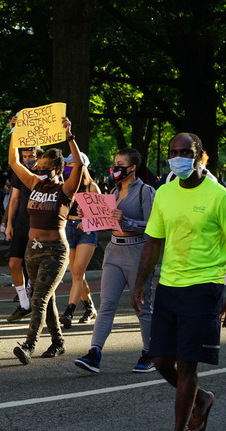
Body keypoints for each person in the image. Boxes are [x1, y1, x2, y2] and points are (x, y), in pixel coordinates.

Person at [132, 133, 226, 431]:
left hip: (204, 288)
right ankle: (203, 398)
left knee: (186, 367)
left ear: (200, 156)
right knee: (160, 361)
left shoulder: (218, 195)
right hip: (169, 286)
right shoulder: (164, 193)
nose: (178, 157)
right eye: (173, 152)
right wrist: (140, 282)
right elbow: (154, 240)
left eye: (185, 152)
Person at [74, 147, 157, 373]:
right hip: (113, 252)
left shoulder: (146, 191)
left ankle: (149, 354)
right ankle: (94, 353)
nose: (116, 168)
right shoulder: (112, 190)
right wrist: (88, 219)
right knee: (106, 304)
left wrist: (127, 220)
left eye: (121, 165)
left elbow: (154, 228)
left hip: (137, 252)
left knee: (142, 305)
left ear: (133, 167)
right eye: (115, 163)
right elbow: (106, 221)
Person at [8, 116, 83, 365]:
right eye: (37, 168)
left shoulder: (65, 189)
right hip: (33, 250)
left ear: (58, 169)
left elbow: (80, 166)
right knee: (46, 298)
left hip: (55, 251)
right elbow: (14, 161)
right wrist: (15, 134)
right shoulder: (33, 183)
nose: (39, 172)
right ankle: (58, 342)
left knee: (38, 299)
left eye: (44, 168)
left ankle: (28, 345)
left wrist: (69, 135)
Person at [59, 157, 99, 328]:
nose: (69, 167)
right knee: (77, 274)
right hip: (68, 228)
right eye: (67, 164)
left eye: (72, 164)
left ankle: (69, 310)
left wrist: (89, 215)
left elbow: (103, 215)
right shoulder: (65, 185)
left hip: (86, 231)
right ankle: (89, 307)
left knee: (77, 270)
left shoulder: (92, 187)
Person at [4, 146, 41, 322]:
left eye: (31, 155)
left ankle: (36, 301)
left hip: (40, 226)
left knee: (34, 266)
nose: (27, 159)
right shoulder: (19, 172)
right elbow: (14, 199)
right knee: (14, 263)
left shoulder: (45, 172)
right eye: (24, 156)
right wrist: (9, 223)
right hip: (21, 225)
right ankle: (24, 302)